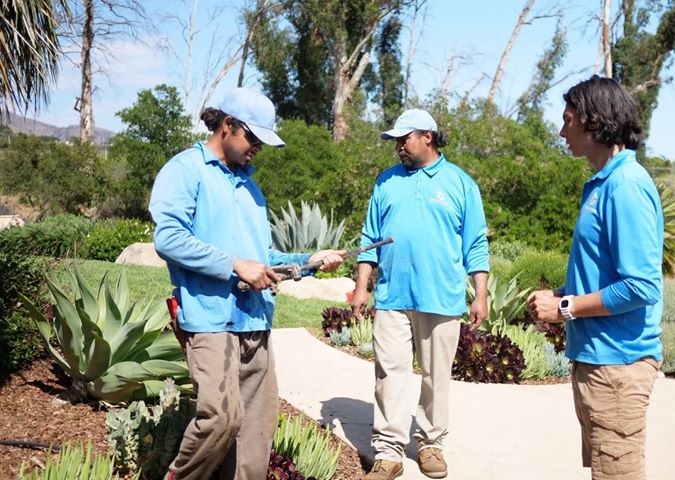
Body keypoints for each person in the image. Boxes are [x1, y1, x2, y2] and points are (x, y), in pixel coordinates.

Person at [148, 87, 344, 480]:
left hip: (255, 322)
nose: (257, 147)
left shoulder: (251, 189)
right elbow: (167, 238)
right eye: (252, 137)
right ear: (227, 125)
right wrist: (235, 265)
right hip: (211, 320)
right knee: (219, 419)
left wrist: (306, 262)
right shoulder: (186, 170)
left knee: (254, 441)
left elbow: (263, 259)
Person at [526, 75, 664, 480]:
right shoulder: (603, 183)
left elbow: (642, 286)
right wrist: (560, 294)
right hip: (597, 362)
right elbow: (609, 274)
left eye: (568, 119)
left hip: (617, 368)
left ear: (593, 121)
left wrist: (564, 307)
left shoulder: (626, 185)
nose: (561, 129)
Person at [350, 109, 490, 480]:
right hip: (392, 295)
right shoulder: (386, 183)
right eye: (396, 140)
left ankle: (430, 443)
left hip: (441, 298)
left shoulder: (460, 183)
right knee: (390, 374)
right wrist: (362, 287)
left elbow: (476, 244)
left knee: (435, 375)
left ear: (427, 136)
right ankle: (389, 451)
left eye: (404, 138)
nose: (398, 146)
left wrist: (480, 294)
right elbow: (369, 240)